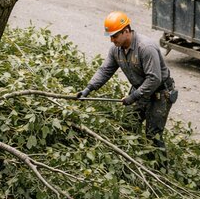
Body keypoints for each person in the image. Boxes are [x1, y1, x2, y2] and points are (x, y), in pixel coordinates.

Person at [76, 11, 178, 169]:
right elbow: (105, 71)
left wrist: (133, 97)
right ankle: (134, 164)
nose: (112, 40)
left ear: (126, 31)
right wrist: (88, 89)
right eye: (110, 36)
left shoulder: (145, 47)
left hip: (159, 94)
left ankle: (160, 173)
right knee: (127, 125)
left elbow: (154, 78)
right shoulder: (116, 50)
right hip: (139, 90)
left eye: (114, 36)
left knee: (153, 135)